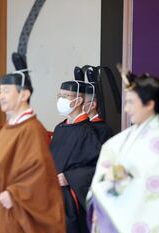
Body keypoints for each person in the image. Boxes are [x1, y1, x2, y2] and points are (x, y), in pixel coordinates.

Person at [87, 73, 159, 233]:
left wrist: (110, 190)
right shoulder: (132, 135)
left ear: (150, 104)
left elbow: (151, 190)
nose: (126, 109)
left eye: (131, 102)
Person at [0, 53, 65, 233]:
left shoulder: (31, 129)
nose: (1, 96)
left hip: (10, 211)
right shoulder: (8, 128)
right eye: (0, 91)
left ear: (24, 94)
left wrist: (16, 194)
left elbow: (39, 175)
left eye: (7, 91)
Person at [50, 80, 101, 233]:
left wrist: (69, 177)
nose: (61, 99)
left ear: (78, 101)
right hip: (53, 195)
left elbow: (97, 167)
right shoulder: (60, 128)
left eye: (66, 96)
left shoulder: (89, 132)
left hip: (70, 199)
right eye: (60, 95)